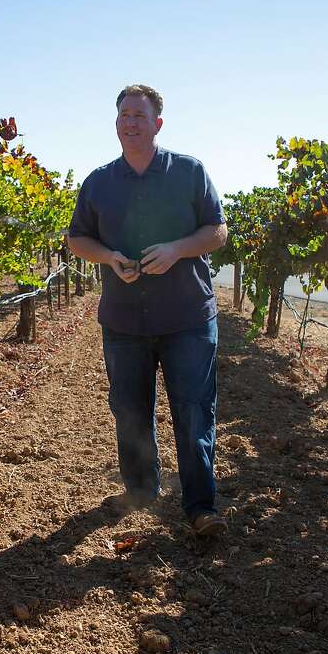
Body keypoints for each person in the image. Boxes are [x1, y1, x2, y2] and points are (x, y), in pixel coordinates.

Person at [67, 84, 229, 536]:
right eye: (124, 115)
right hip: (124, 319)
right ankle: (141, 488)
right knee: (129, 409)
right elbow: (77, 238)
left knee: (194, 411)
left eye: (139, 115)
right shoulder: (99, 182)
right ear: (116, 123)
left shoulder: (189, 172)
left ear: (157, 123)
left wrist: (177, 249)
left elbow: (217, 231)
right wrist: (108, 258)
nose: (130, 122)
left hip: (187, 318)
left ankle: (201, 507)